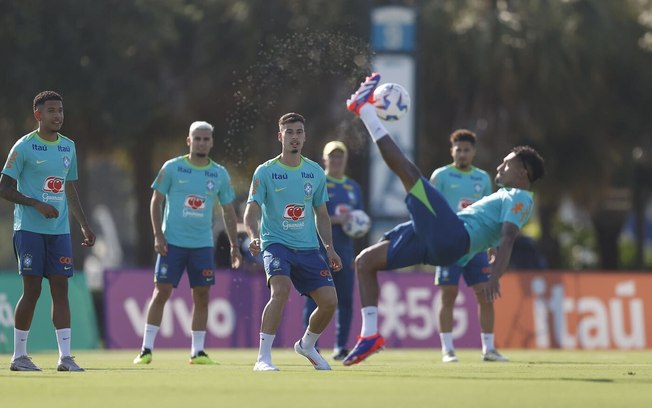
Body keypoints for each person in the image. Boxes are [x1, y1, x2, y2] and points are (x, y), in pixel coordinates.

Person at [342, 73, 544, 366]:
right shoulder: (507, 195)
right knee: (364, 262)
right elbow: (496, 230)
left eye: (508, 163)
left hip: (452, 236)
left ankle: (366, 111)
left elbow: (509, 236)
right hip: (441, 239)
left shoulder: (520, 196)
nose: (501, 165)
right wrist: (489, 246)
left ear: (523, 172)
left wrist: (495, 276)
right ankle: (369, 335)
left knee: (409, 174)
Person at [0, 91, 96, 372]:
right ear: (38, 115)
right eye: (52, 111)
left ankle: (65, 357)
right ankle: (19, 357)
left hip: (60, 232)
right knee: (32, 290)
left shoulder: (68, 147)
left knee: (61, 288)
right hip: (29, 229)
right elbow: (3, 187)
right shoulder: (24, 146)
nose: (58, 116)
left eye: (61, 111)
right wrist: (35, 204)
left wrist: (84, 224)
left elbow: (68, 187)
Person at [133, 121, 242, 365]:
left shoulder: (219, 174)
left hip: (202, 245)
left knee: (202, 296)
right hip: (172, 243)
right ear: (189, 140)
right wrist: (157, 235)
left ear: (212, 142)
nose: (202, 142)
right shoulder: (172, 168)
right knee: (161, 293)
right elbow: (155, 201)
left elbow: (228, 211)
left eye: (206, 138)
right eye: (198, 138)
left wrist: (234, 245)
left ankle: (198, 352)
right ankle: (146, 349)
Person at [244, 112, 343, 371]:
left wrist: (330, 248)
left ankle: (307, 345)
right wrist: (253, 237)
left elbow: (321, 214)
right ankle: (263, 358)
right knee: (281, 290)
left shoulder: (315, 172)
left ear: (305, 136)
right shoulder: (265, 171)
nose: (295, 137)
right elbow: (252, 209)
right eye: (289, 132)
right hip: (276, 244)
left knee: (330, 301)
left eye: (299, 132)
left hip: (309, 248)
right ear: (280, 136)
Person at [429, 129, 508, 363]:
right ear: (451, 151)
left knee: (485, 295)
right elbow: (430, 208)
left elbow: (490, 214)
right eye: (458, 149)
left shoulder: (482, 178)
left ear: (473, 152)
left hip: (476, 245)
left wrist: (492, 246)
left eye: (466, 150)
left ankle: (489, 349)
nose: (462, 153)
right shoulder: (441, 176)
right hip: (449, 245)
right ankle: (447, 350)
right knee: (449, 295)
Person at [302, 141, 364, 360]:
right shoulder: (318, 181)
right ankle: (312, 344)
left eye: (340, 156)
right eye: (332, 156)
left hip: (345, 250)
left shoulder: (354, 187)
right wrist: (336, 219)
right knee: (314, 298)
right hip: (318, 249)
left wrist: (358, 227)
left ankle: (340, 347)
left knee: (345, 300)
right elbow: (309, 213)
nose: (336, 160)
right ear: (324, 159)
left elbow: (359, 221)